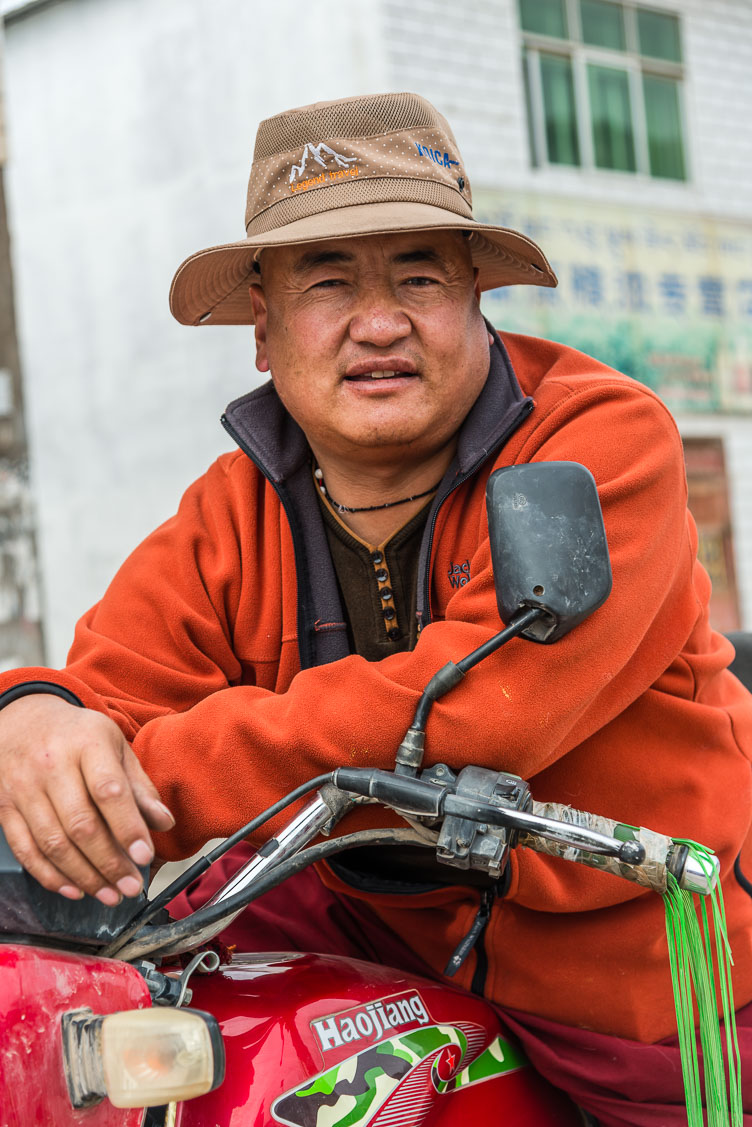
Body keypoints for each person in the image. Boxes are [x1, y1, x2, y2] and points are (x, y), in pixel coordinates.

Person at [0, 91, 751, 1125]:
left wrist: (134, 775)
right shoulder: (233, 507)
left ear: (475, 298)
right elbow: (96, 684)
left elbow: (487, 711)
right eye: (326, 278)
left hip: (635, 988)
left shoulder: (601, 439)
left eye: (418, 274)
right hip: (370, 950)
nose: (381, 319)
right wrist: (33, 722)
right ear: (260, 328)